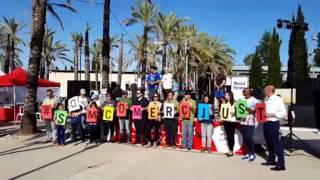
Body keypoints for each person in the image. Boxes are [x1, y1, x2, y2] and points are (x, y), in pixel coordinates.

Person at [262, 85, 287, 171]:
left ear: (270, 90)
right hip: (265, 122)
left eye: (265, 90)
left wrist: (272, 114)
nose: (264, 92)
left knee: (277, 143)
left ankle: (281, 164)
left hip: (273, 123)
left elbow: (283, 112)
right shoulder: (266, 99)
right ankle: (271, 159)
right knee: (269, 142)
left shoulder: (277, 99)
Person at [240, 88, 259, 162]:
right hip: (242, 121)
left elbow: (257, 110)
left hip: (250, 121)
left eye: (245, 91)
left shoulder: (254, 100)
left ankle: (253, 154)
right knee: (245, 137)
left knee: (249, 138)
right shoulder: (242, 100)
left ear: (249, 92)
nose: (243, 92)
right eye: (243, 91)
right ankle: (248, 153)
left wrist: (250, 109)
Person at [220, 91, 237, 157]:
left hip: (232, 121)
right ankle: (230, 149)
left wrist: (233, 113)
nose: (225, 96)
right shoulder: (225, 102)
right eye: (225, 95)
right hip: (226, 121)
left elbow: (237, 112)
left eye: (226, 95)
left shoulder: (234, 103)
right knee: (228, 136)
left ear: (230, 95)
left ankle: (231, 151)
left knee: (231, 136)